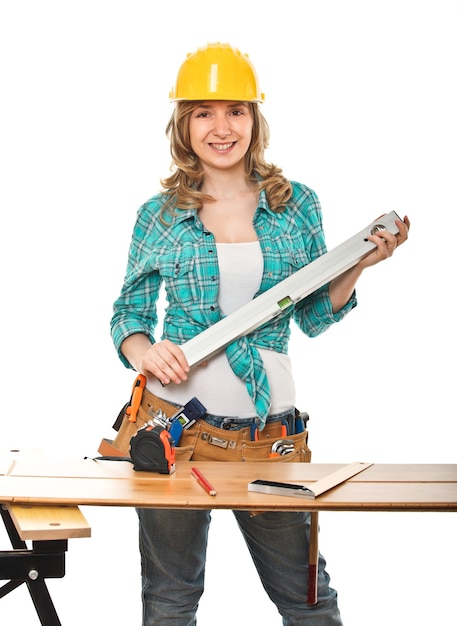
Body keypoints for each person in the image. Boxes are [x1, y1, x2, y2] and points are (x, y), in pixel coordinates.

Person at [110, 42, 410, 626]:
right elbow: (128, 314)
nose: (222, 128)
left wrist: (358, 265)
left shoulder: (296, 206)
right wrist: (147, 352)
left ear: (255, 119)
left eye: (236, 111)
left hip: (268, 437)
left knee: (309, 603)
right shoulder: (160, 215)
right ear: (183, 124)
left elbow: (315, 316)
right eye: (204, 112)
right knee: (170, 603)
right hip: (174, 431)